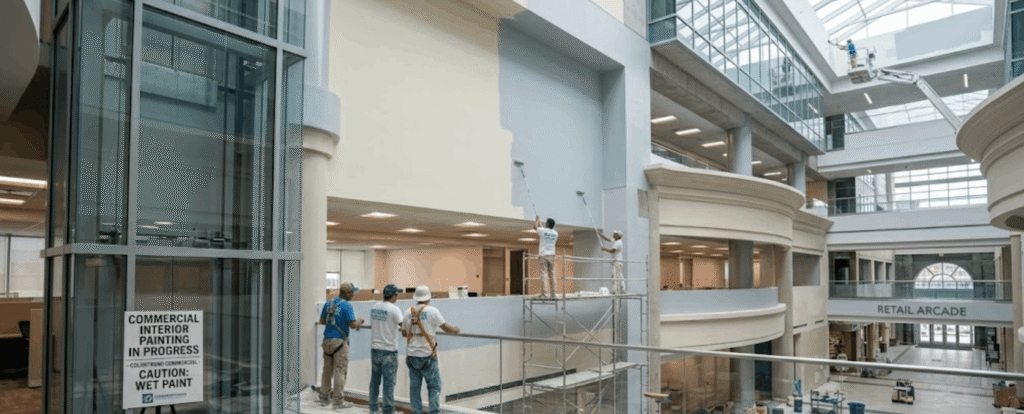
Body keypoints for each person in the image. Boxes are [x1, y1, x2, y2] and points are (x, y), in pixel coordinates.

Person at [403, 285, 460, 414]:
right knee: (434, 387)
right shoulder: (433, 311)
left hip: (412, 355)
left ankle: (416, 411)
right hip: (428, 355)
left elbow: (403, 333)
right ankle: (434, 412)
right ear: (428, 298)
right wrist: (456, 329)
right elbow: (446, 328)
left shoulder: (407, 312)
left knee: (415, 388)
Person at [318, 282, 364, 409]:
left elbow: (322, 321)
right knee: (340, 371)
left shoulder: (328, 303)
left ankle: (324, 398)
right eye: (352, 292)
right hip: (339, 343)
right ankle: (338, 401)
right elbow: (353, 325)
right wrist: (360, 320)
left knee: (327, 371)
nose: (353, 295)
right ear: (347, 293)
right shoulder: (347, 306)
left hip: (327, 341)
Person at [369, 284, 403, 414]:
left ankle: (373, 408)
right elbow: (404, 326)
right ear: (393, 296)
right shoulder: (394, 309)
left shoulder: (374, 308)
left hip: (375, 349)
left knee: (375, 381)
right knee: (389, 383)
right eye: (396, 295)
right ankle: (388, 410)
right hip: (389, 351)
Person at [534, 215, 558, 298]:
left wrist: (537, 220)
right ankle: (553, 294)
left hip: (543, 255)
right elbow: (543, 230)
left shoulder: (543, 231)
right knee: (552, 274)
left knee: (543, 274)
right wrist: (540, 223)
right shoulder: (555, 233)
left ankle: (544, 293)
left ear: (547, 224)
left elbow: (535, 227)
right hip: (552, 255)